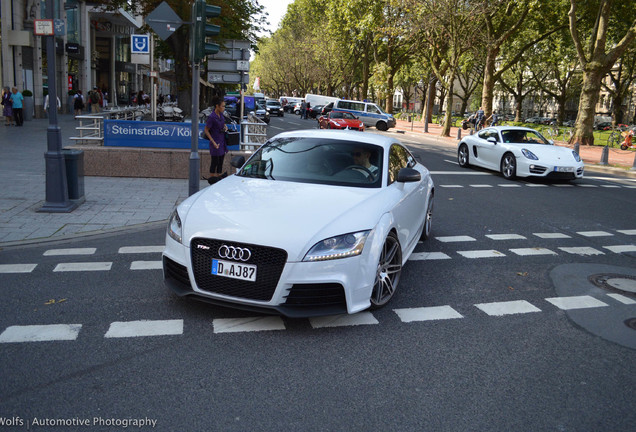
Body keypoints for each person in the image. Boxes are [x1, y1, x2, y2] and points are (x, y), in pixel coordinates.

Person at [203, 96, 229, 184]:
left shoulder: (221, 115)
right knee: (215, 161)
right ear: (217, 106)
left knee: (221, 160)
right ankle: (212, 180)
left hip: (222, 140)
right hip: (215, 141)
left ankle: (218, 180)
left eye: (224, 106)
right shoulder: (212, 117)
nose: (224, 108)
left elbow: (223, 123)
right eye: (222, 106)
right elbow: (206, 130)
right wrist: (213, 142)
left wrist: (225, 127)